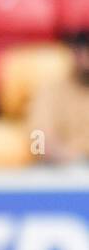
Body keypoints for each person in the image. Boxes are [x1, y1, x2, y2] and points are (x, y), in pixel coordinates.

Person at [26, 28, 89, 163]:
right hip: (64, 172)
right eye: (84, 48)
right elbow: (38, 142)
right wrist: (73, 160)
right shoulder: (51, 92)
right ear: (75, 52)